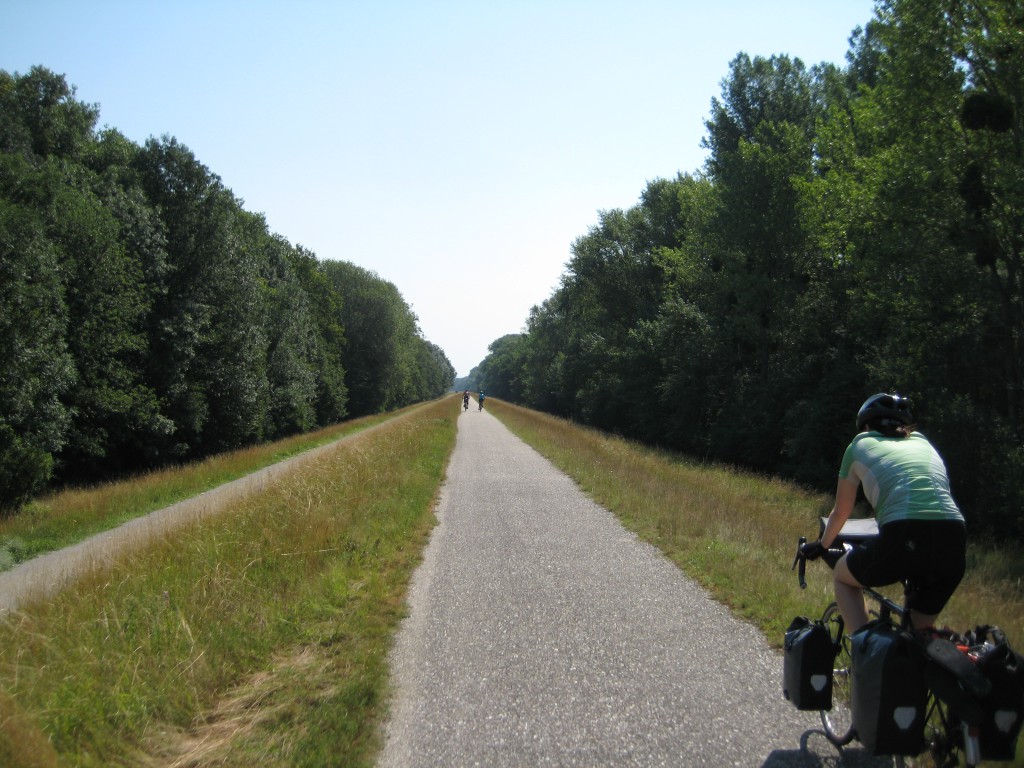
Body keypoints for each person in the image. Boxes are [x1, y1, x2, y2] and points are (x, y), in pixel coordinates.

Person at [802, 393, 966, 634]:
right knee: (916, 642)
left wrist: (823, 545)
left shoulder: (859, 445)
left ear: (866, 426)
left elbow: (841, 512)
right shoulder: (923, 443)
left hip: (904, 532)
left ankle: (862, 651)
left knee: (842, 574)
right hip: (954, 538)